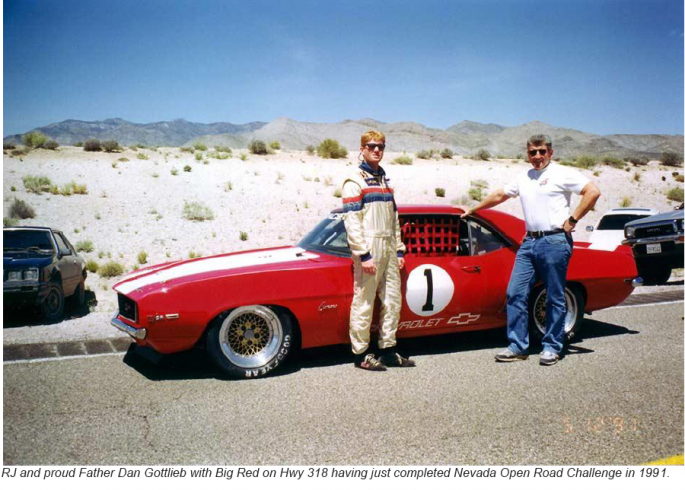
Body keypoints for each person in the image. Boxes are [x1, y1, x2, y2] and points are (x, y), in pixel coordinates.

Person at [462, 134, 600, 366]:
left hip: (555, 241)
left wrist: (573, 219)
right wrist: (473, 209)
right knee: (515, 293)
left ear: (550, 152)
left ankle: (552, 347)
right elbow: (499, 195)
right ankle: (518, 346)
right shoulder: (524, 177)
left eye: (542, 152)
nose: (537, 157)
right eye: (532, 152)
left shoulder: (562, 173)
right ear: (527, 154)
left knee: (555, 296)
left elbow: (593, 191)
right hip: (529, 243)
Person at [341, 130, 415, 371]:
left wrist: (399, 249)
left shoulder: (385, 180)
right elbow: (352, 221)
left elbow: (394, 218)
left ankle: (388, 350)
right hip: (369, 247)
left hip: (389, 248)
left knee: (392, 300)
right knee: (364, 301)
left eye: (381, 146)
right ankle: (361, 353)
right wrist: (363, 254)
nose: (377, 150)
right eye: (372, 146)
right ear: (361, 149)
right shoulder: (354, 181)